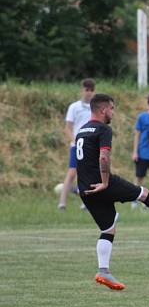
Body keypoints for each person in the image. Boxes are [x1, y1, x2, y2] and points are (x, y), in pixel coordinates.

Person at [76, 94, 149, 290]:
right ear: (103, 109)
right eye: (112, 108)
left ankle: (103, 271)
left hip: (86, 188)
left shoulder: (82, 130)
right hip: (101, 183)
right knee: (143, 193)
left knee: (108, 228)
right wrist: (105, 182)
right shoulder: (103, 129)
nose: (113, 113)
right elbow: (103, 157)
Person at [58, 78, 95, 210]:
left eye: (91, 90)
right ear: (82, 90)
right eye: (87, 90)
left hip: (90, 146)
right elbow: (68, 128)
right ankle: (62, 203)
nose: (89, 93)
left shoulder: (95, 108)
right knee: (72, 172)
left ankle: (85, 203)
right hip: (77, 146)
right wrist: (76, 141)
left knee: (87, 174)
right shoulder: (74, 107)